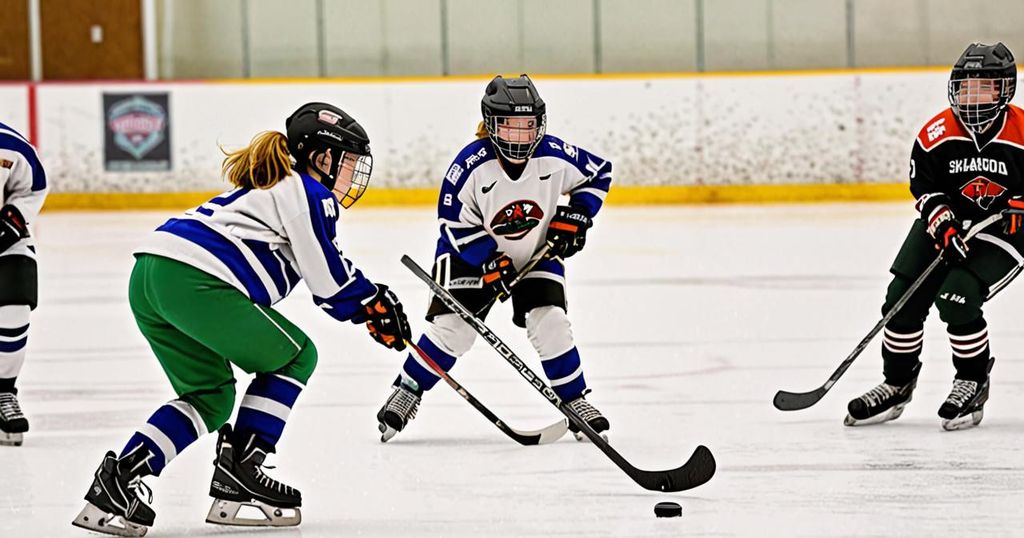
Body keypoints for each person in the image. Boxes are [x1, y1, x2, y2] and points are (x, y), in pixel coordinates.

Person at [72, 102, 411, 536]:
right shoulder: (308, 192)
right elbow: (329, 284)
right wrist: (372, 301)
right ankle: (242, 470)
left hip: (151, 276)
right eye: (347, 162)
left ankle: (118, 481)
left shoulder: (276, 188)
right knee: (296, 356)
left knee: (209, 397)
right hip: (194, 280)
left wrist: (367, 304)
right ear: (322, 157)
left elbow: (327, 273)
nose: (352, 175)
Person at [376, 74, 613, 442]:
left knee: (551, 322)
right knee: (453, 332)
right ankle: (407, 389)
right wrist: (488, 260)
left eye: (528, 126)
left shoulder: (553, 155)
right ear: (491, 124)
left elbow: (598, 173)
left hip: (534, 252)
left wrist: (578, 214)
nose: (521, 137)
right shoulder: (469, 166)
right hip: (468, 257)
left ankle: (576, 400)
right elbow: (452, 222)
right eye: (510, 127)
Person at [845, 42, 1023, 431]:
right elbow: (925, 187)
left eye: (984, 87)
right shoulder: (936, 133)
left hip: (1006, 231)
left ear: (1004, 90)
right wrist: (942, 222)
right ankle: (896, 383)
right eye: (966, 87)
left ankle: (972, 381)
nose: (972, 97)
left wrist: (1019, 206)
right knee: (900, 302)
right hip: (950, 223)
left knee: (957, 297)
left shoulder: (1023, 132)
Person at [0, 121, 47, 447]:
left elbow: (32, 186)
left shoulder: (10, 145)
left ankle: (3, 391)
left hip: (5, 242)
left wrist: (13, 219)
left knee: (15, 309)